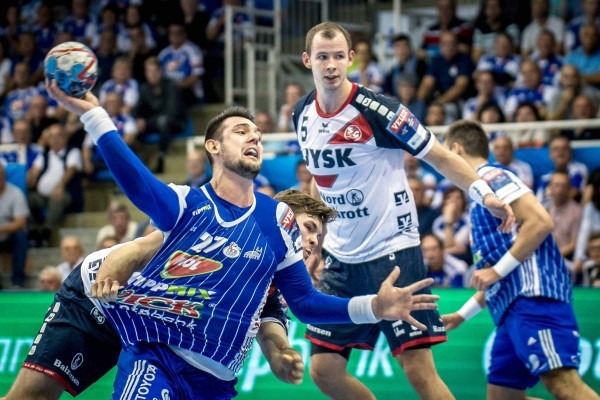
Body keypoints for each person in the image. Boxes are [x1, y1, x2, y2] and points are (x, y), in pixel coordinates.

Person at [45, 81, 439, 399]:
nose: (254, 138)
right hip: (152, 350)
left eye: (257, 134)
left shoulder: (278, 220)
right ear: (213, 147)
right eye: (241, 131)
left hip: (215, 382)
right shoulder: (187, 204)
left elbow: (304, 303)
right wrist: (95, 116)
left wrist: (374, 307)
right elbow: (139, 193)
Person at [293, 22, 515, 400]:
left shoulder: (379, 110)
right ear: (307, 60)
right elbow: (321, 182)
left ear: (351, 59)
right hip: (341, 261)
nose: (330, 65)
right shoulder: (302, 113)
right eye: (322, 57)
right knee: (324, 370)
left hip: (392, 252)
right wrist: (318, 243)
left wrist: (483, 193)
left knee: (418, 371)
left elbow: (440, 156)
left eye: (338, 57)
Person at [1, 230, 302, 400]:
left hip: (149, 328)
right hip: (101, 301)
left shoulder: (271, 289)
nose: (311, 241)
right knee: (33, 396)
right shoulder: (223, 230)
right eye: (307, 230)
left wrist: (284, 356)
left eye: (318, 234)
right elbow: (136, 249)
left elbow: (273, 337)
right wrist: (109, 274)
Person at [441, 120, 599, 400]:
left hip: (534, 299)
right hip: (509, 308)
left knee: (563, 385)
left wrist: (496, 272)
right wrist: (462, 315)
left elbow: (540, 222)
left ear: (455, 150)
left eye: (443, 155)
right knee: (503, 397)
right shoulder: (477, 195)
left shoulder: (491, 176)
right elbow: (495, 276)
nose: (441, 165)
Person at [0, 161, 29, 288]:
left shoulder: (16, 193)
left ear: (4, 176)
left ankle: (17, 282)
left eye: (1, 174)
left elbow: (20, 223)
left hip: (10, 237)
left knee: (21, 236)